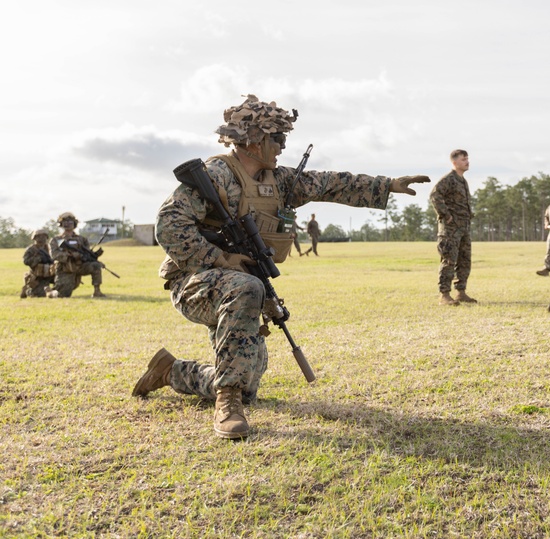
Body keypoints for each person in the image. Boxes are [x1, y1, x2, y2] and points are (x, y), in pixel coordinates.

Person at [132, 94, 429, 439]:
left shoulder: (279, 179)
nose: (283, 146)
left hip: (236, 284)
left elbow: (330, 182)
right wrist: (221, 259)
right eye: (278, 138)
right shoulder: (215, 176)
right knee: (247, 291)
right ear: (254, 140)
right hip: (195, 283)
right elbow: (168, 224)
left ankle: (172, 372)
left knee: (249, 381)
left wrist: (387, 185)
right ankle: (227, 404)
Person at [429, 149, 476, 306]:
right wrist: (446, 215)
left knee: (464, 260)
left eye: (467, 159)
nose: (467, 161)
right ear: (454, 162)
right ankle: (444, 295)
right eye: (463, 159)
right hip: (450, 229)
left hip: (463, 228)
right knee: (449, 260)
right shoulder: (449, 179)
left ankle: (461, 293)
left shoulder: (462, 180)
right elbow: (435, 196)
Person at [49, 212, 105, 298]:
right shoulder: (56, 239)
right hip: (65, 268)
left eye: (70, 221)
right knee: (63, 295)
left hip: (80, 266)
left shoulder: (82, 239)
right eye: (65, 221)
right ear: (61, 224)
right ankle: (50, 292)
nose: (68, 224)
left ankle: (97, 291)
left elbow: (86, 254)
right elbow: (54, 255)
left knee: (95, 265)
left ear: (74, 223)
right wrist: (69, 255)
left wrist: (94, 257)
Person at [21, 229, 55, 298]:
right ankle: (27, 291)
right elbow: (26, 261)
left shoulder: (49, 248)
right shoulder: (31, 249)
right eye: (39, 237)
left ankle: (53, 291)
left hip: (51, 273)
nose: (41, 239)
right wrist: (38, 259)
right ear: (34, 238)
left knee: (63, 286)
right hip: (38, 275)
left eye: (44, 236)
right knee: (39, 294)